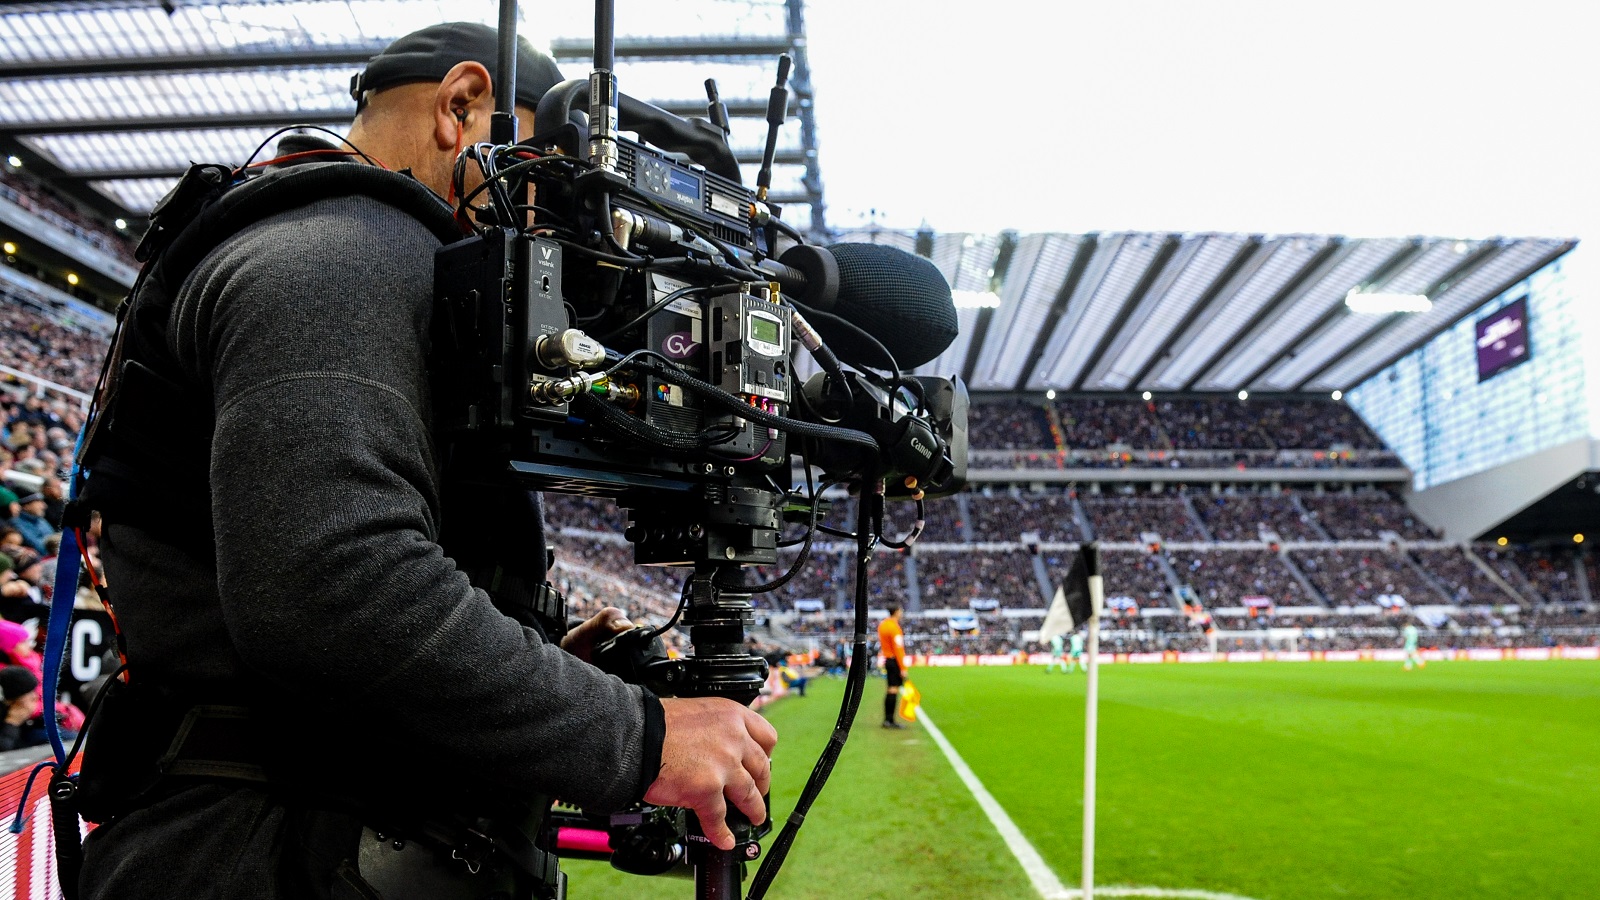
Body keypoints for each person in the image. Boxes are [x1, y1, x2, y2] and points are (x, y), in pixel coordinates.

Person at [75, 23, 775, 900]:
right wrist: (635, 736)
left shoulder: (343, 249)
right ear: (461, 107)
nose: (547, 223)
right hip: (275, 855)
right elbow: (332, 583)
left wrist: (543, 655)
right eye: (546, 178)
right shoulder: (346, 249)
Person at [877, 604, 908, 728]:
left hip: (887, 659)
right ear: (896, 612)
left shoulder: (883, 625)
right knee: (893, 689)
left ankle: (887, 719)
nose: (901, 613)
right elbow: (898, 649)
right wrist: (903, 668)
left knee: (890, 688)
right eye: (900, 611)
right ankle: (890, 720)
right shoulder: (894, 628)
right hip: (894, 660)